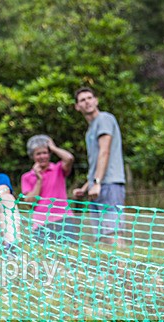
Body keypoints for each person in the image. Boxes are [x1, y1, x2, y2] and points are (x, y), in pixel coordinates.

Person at [72, 87, 126, 245]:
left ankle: (124, 270)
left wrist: (96, 183)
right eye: (82, 100)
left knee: (113, 234)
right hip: (97, 187)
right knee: (102, 238)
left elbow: (105, 152)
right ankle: (111, 271)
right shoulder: (90, 130)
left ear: (96, 101)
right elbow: (96, 162)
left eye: (89, 98)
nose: (87, 101)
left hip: (109, 185)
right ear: (77, 106)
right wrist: (85, 187)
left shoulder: (104, 119)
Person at [20, 135, 78, 241]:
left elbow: (69, 158)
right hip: (41, 223)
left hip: (63, 219)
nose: (42, 156)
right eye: (38, 154)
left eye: (45, 152)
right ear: (32, 156)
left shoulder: (58, 169)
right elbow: (30, 202)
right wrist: (39, 180)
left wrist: (53, 147)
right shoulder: (27, 177)